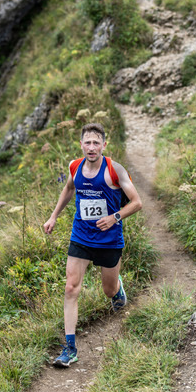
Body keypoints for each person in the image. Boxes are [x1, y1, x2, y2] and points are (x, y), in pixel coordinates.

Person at [43, 122, 142, 367]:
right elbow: (68, 189)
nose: (91, 147)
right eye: (87, 142)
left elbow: (137, 202)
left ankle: (117, 290)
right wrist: (54, 216)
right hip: (81, 236)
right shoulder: (74, 167)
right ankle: (70, 348)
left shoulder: (114, 170)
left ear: (104, 145)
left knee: (108, 290)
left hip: (109, 240)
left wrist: (115, 217)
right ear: (81, 145)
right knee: (71, 288)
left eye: (96, 142)